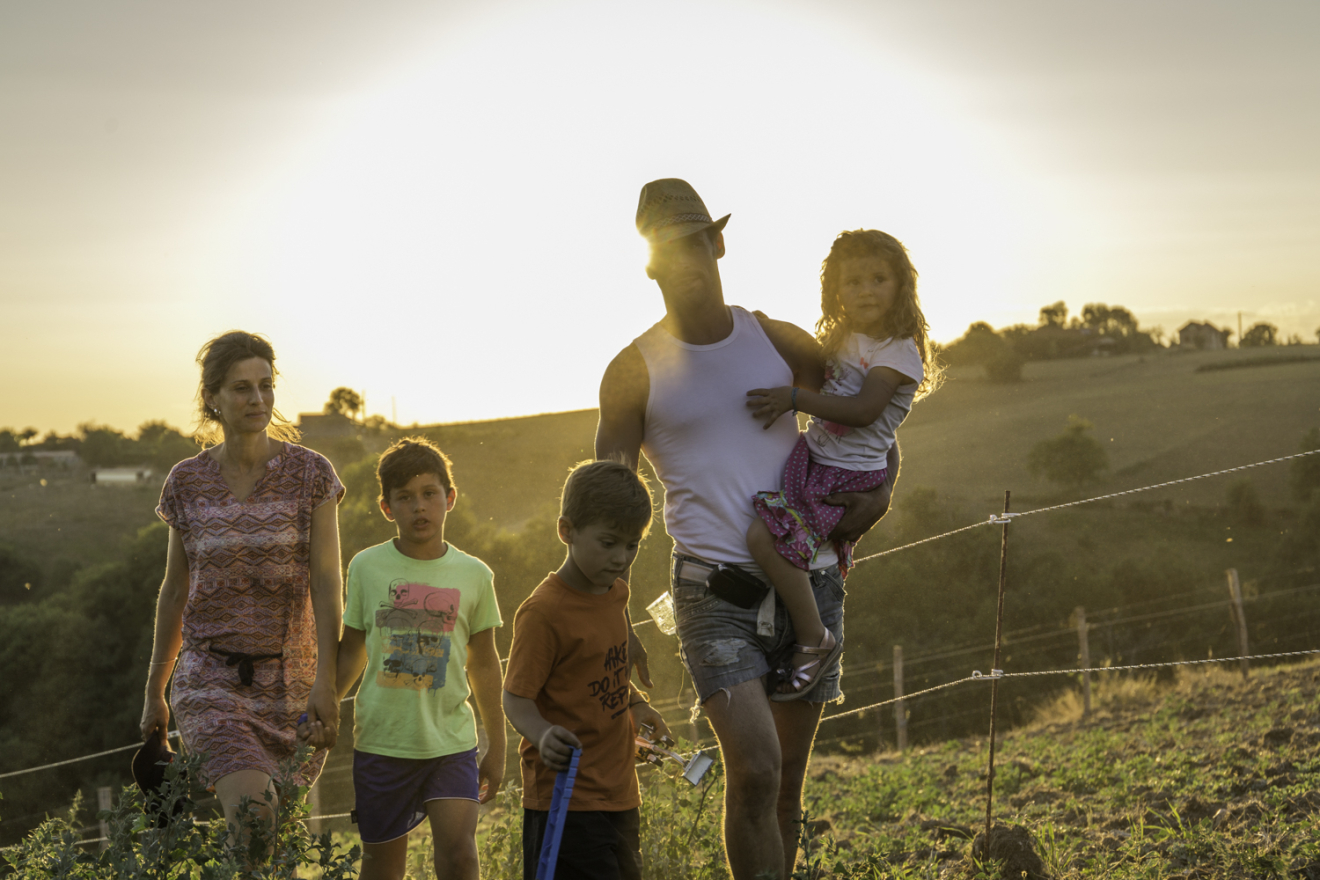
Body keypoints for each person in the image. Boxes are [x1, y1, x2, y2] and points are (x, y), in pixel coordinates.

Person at [595, 179, 897, 879]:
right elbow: (605, 506)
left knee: (786, 784)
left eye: (695, 244)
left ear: (718, 243)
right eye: (666, 253)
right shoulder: (630, 372)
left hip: (811, 586)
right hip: (713, 597)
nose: (684, 262)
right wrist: (612, 614)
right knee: (755, 773)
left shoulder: (776, 339)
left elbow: (870, 414)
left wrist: (882, 491)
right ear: (649, 265)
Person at [139, 330, 344, 845]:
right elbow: (173, 592)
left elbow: (326, 582)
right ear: (212, 398)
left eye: (265, 386)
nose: (257, 399)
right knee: (255, 818)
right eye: (240, 388)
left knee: (276, 844)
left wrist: (327, 681)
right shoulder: (186, 483)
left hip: (289, 684)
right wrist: (155, 692)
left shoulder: (311, 475)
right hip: (209, 679)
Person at [745, 229, 940, 700]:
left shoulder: (897, 351)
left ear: (901, 285)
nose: (866, 290)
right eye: (853, 282)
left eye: (878, 278)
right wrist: (759, 327)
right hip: (816, 459)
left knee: (763, 537)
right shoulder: (844, 337)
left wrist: (794, 399)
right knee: (782, 537)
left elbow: (863, 412)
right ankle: (787, 636)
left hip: (845, 475)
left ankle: (815, 639)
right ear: (835, 290)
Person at [308, 437, 504, 880]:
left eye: (430, 494)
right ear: (386, 507)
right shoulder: (365, 567)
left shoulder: (475, 574)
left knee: (460, 857)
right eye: (405, 497)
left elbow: (486, 662)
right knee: (382, 867)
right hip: (382, 743)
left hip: (451, 743)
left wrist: (498, 742)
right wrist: (326, 709)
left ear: (449, 499)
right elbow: (353, 647)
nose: (420, 507)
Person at [502, 459, 671, 880]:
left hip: (618, 792)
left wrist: (635, 703)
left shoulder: (615, 594)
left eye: (632, 546)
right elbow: (515, 697)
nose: (621, 558)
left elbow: (604, 667)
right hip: (565, 799)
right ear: (567, 531)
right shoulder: (543, 612)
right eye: (609, 542)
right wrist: (541, 734)